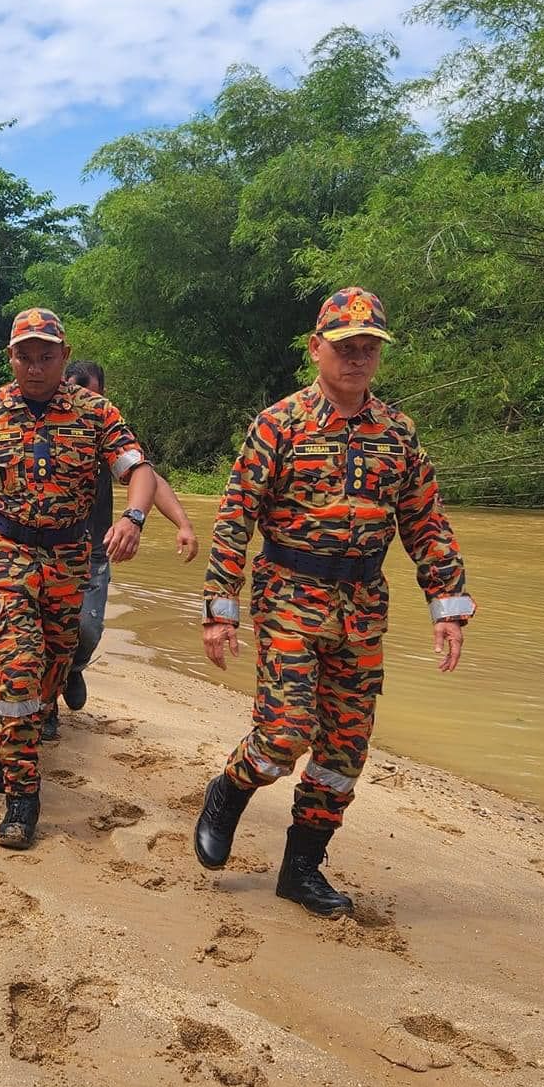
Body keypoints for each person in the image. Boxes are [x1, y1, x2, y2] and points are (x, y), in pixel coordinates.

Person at [194, 288, 476, 916]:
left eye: (369, 347)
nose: (357, 357)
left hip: (362, 606)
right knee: (285, 731)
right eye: (346, 346)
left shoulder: (398, 433)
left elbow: (425, 522)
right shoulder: (279, 424)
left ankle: (301, 869)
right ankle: (230, 790)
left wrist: (448, 604)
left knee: (346, 747)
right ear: (316, 348)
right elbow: (236, 518)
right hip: (289, 596)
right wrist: (220, 609)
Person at [0, 309, 157, 850]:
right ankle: (22, 795)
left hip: (68, 559)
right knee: (17, 670)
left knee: (52, 673)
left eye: (46, 357)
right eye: (25, 357)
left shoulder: (96, 413)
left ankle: (11, 744)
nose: (35, 367)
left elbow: (138, 471)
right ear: (10, 358)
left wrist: (133, 518)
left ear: (64, 356)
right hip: (5, 555)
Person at [42, 360, 199, 741]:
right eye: (79, 392)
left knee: (87, 629)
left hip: (94, 550)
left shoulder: (106, 431)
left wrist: (183, 524)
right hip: (47, 548)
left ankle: (75, 667)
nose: (86, 402)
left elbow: (149, 477)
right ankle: (46, 709)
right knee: (44, 632)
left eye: (94, 394)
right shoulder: (43, 425)